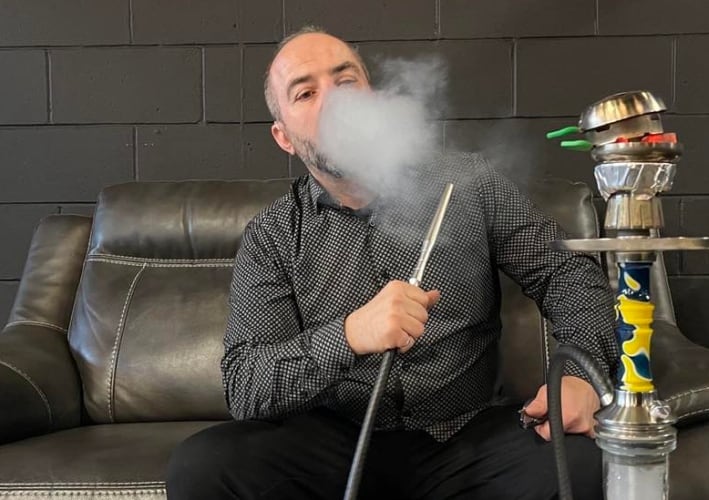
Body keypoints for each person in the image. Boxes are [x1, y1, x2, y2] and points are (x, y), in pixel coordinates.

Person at [166, 26, 619, 500]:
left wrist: (580, 376)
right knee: (204, 467)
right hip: (333, 448)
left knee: (584, 464)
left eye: (346, 83)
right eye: (305, 93)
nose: (336, 105)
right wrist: (348, 337)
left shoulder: (467, 183)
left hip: (466, 438)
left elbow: (566, 274)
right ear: (284, 137)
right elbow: (247, 385)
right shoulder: (273, 235)